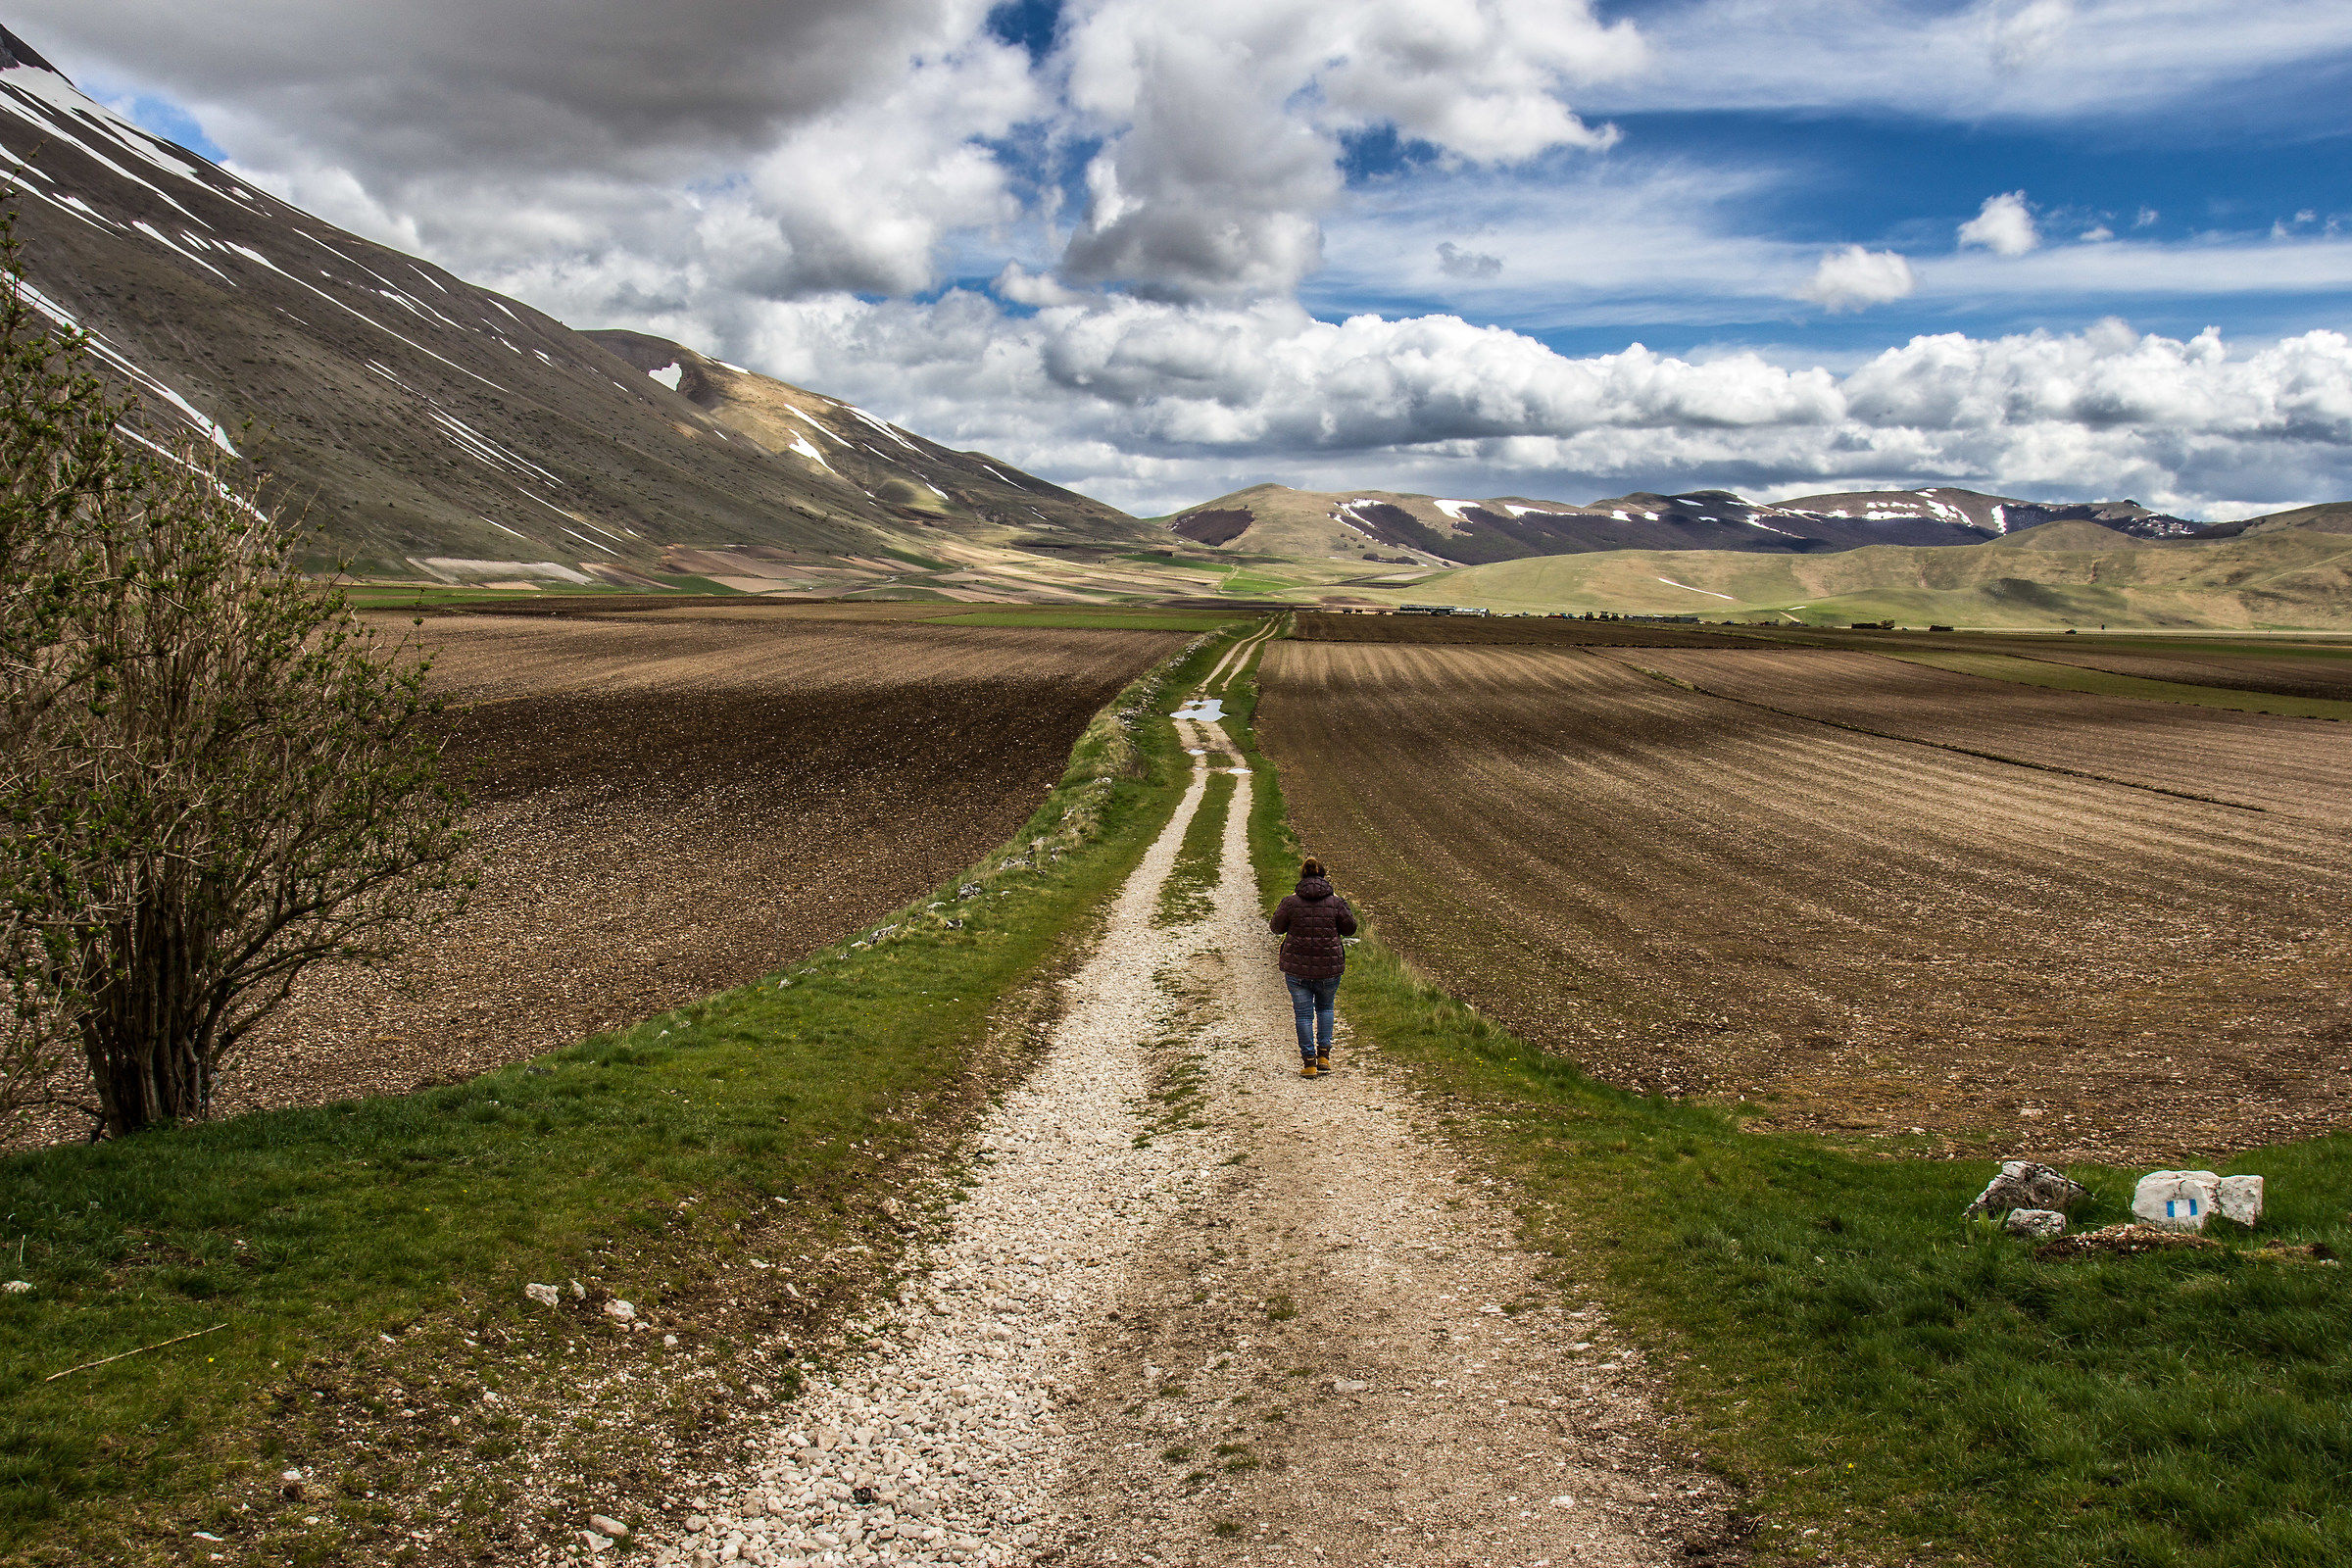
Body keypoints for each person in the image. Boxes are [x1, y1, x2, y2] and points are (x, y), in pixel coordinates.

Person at [1268, 856, 1356, 1077]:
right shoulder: (1336, 902)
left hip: (1297, 969)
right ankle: (1324, 1057)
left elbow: (1276, 928)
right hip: (1329, 967)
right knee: (1326, 1008)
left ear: (1302, 876)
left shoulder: (1290, 902)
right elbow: (1350, 929)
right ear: (1324, 877)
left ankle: (1309, 1063)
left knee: (1303, 1015)